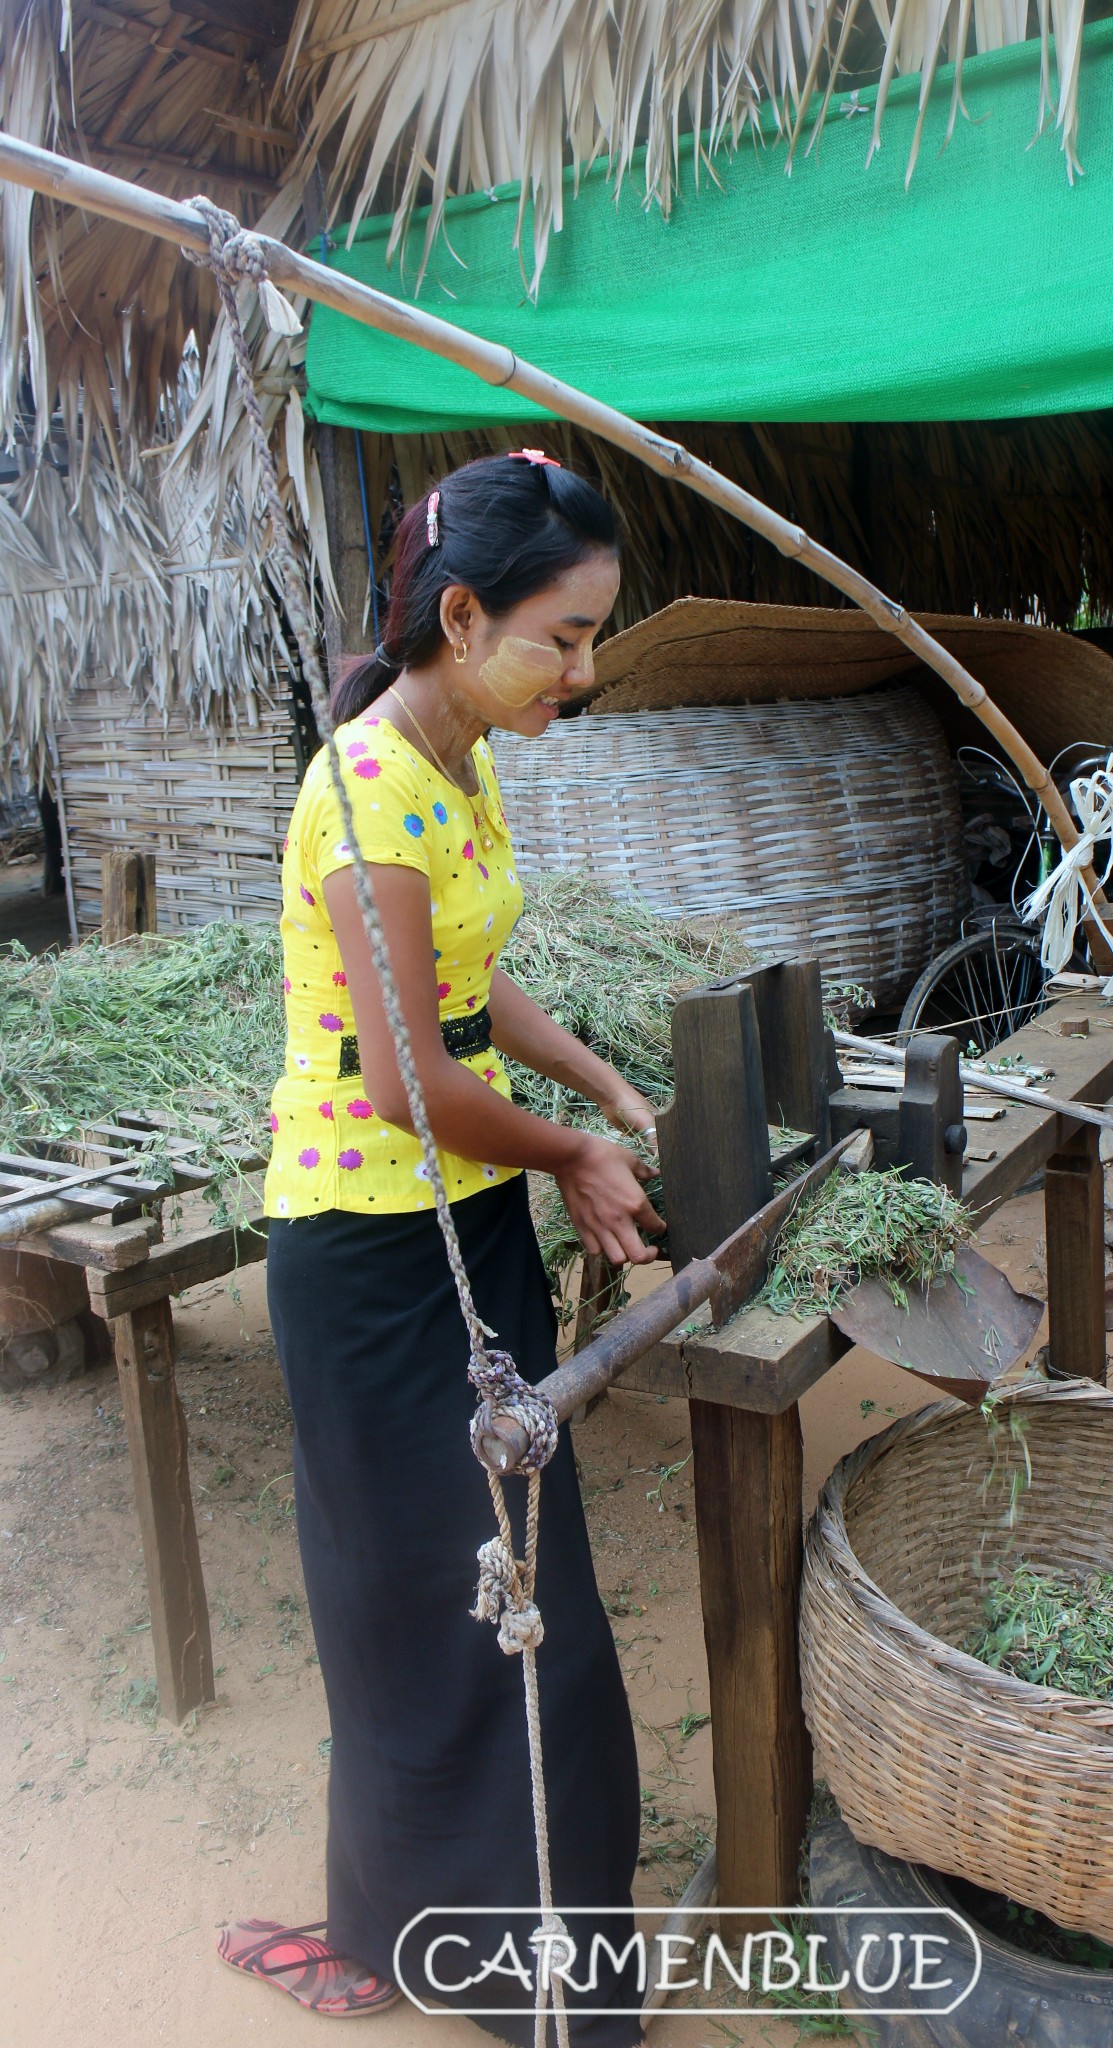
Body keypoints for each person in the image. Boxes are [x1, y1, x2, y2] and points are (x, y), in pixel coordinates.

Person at [217, 452, 662, 2039]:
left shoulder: (460, 754)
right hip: (366, 1259)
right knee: (422, 1605)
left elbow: (475, 995)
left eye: (595, 637)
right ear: (462, 616)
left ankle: (554, 1961)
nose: (586, 674)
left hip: (465, 1225)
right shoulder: (362, 792)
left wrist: (599, 1082)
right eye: (564, 636)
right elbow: (406, 1077)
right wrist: (576, 1152)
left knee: (526, 1585)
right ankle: (408, 1943)